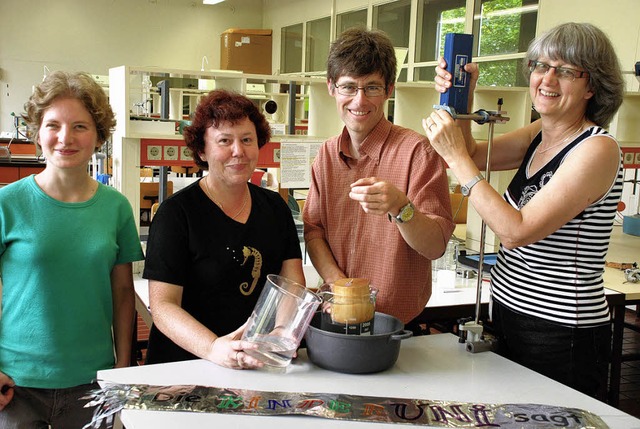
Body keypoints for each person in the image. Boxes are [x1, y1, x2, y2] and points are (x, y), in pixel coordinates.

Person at [423, 22, 624, 397]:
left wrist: (452, 156)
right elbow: (475, 154)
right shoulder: (540, 133)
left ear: (592, 86)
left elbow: (515, 230)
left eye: (565, 71)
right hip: (510, 311)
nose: (547, 78)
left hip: (562, 330)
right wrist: (462, 97)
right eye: (540, 66)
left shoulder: (596, 149)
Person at [0, 71, 144, 427]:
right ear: (37, 132)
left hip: (92, 379)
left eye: (80, 126)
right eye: (53, 125)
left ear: (98, 136)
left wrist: (122, 370)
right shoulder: (8, 203)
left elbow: (123, 293)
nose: (65, 138)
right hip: (17, 382)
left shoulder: (115, 207)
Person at [302, 28, 455, 333]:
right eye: (348, 87)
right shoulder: (327, 155)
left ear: (389, 90)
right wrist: (337, 284)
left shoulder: (417, 152)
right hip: (337, 315)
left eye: (371, 88)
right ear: (331, 88)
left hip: (398, 327)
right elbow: (314, 230)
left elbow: (435, 246)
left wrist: (401, 207)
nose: (359, 100)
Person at [143, 89, 304, 369]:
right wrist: (213, 348)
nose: (238, 151)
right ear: (203, 150)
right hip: (186, 366)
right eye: (224, 141)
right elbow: (164, 307)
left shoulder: (275, 207)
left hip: (253, 361)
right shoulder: (176, 214)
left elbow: (292, 284)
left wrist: (280, 334)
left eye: (246, 140)